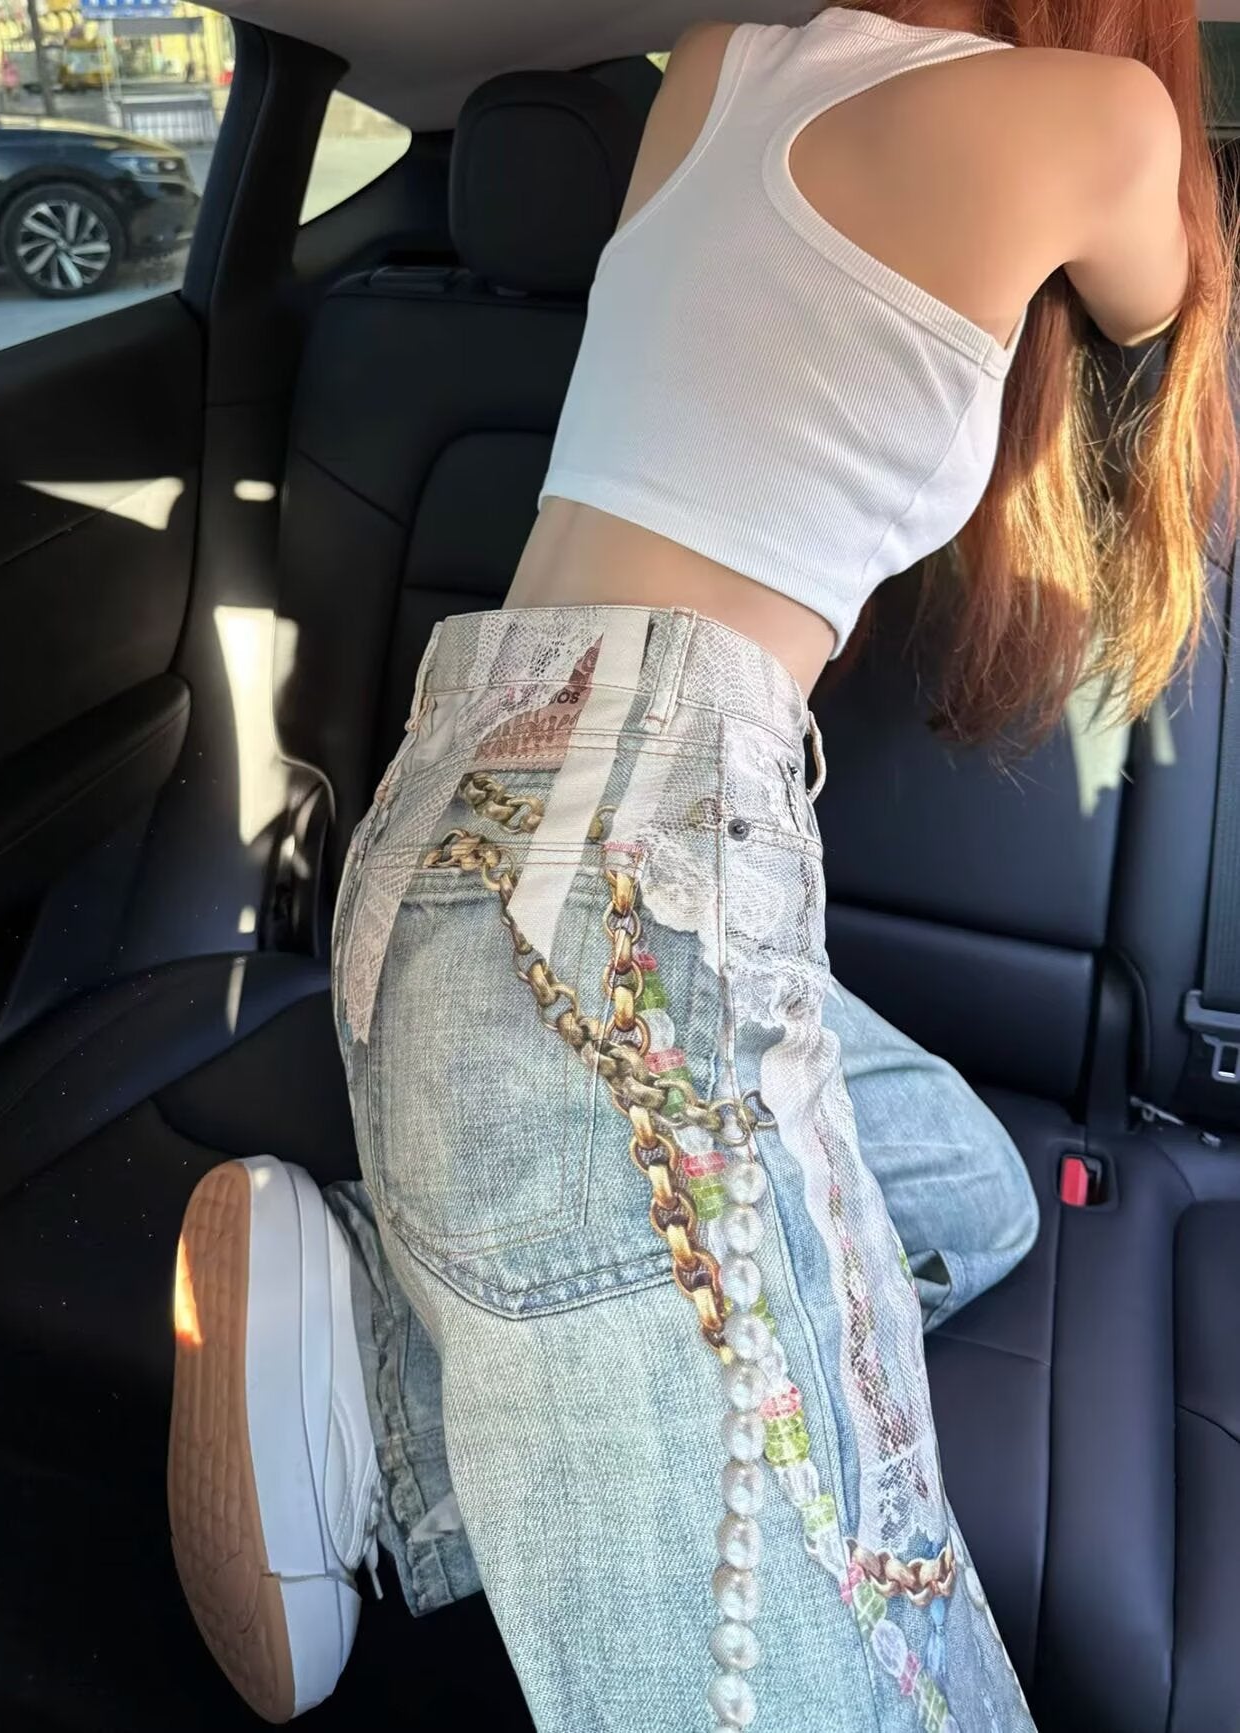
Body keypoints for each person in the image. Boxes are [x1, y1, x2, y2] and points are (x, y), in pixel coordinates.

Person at [166, 3, 1238, 1729]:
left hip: (442, 834)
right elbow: (1157, 299)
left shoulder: (714, 66)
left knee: (971, 1195)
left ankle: (388, 1351)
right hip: (622, 930)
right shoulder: (1104, 111)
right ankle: (414, 1328)